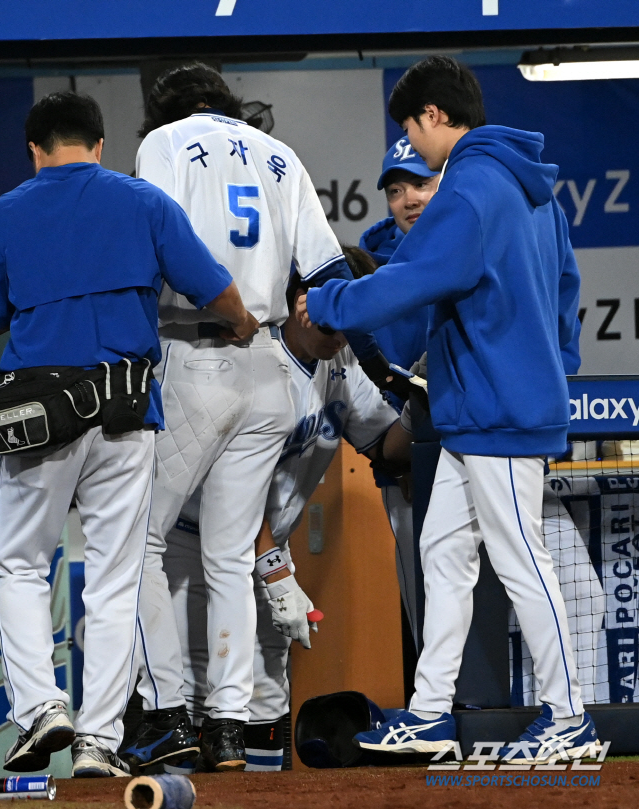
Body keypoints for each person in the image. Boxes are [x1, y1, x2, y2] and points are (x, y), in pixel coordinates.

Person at [297, 56, 597, 763]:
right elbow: (565, 288)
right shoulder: (531, 189)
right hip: (483, 405)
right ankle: (431, 710)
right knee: (444, 555)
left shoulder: (471, 183)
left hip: (497, 407)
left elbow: (418, 274)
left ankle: (569, 714)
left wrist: (334, 302)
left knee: (523, 560)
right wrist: (552, 367)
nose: (412, 142)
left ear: (434, 115)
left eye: (410, 125)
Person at [0, 92, 254, 778]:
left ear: (35, 150)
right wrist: (244, 321)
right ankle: (100, 740)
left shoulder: (9, 210)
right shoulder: (142, 201)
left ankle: (43, 707)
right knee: (114, 574)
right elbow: (212, 287)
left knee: (18, 564)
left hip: (41, 409)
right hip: (125, 410)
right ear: (99, 145)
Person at [130, 63, 368, 771]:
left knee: (136, 541)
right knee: (230, 556)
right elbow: (330, 276)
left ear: (166, 107)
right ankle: (230, 726)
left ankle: (167, 712)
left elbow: (152, 251)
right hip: (267, 365)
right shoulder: (282, 155)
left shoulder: (166, 142)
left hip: (192, 350)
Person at [124, 271, 410, 772]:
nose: (343, 330)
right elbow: (228, 490)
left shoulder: (339, 362)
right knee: (190, 699)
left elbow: (386, 448)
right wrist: (275, 570)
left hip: (258, 556)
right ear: (301, 302)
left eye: (354, 318)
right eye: (336, 314)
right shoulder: (247, 354)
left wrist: (419, 410)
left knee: (264, 699)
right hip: (189, 549)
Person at [347, 137, 440, 638]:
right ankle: (440, 713)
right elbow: (371, 379)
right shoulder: (370, 274)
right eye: (397, 189)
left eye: (422, 183)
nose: (410, 199)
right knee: (428, 610)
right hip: (410, 465)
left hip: (480, 450)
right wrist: (398, 456)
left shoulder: (469, 250)